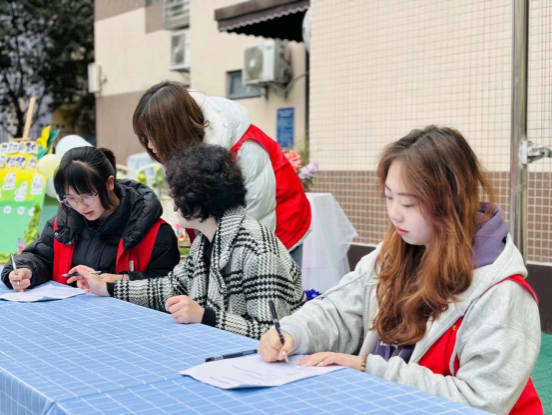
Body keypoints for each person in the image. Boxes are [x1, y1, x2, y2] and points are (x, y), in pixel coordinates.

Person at [258, 126, 542, 414]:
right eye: (388, 197)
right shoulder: (393, 254)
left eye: (408, 203)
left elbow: (481, 401)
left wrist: (369, 370)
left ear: (452, 200)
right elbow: (339, 311)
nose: (394, 213)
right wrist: (293, 332)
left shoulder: (501, 293)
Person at [69, 144, 306, 340]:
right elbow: (170, 287)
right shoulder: (207, 239)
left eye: (176, 194)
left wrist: (204, 316)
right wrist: (106, 286)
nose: (173, 203)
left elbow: (275, 333)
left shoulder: (257, 249)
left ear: (198, 198)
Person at [132, 81, 311, 266]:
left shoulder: (245, 149)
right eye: (145, 137)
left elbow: (258, 224)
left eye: (153, 137)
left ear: (174, 131)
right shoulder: (183, 147)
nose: (150, 146)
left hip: (278, 228)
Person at [1, 147, 180, 291]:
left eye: (86, 197)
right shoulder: (62, 226)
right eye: (71, 198)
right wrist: (26, 270)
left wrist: (120, 281)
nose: (80, 206)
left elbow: (170, 285)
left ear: (109, 183)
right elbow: (40, 257)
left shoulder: (154, 233)